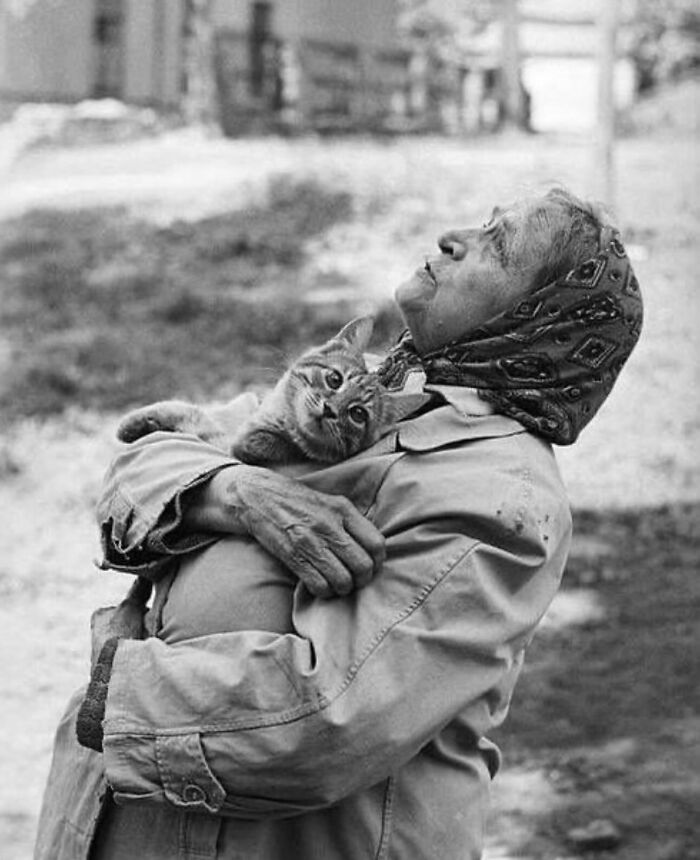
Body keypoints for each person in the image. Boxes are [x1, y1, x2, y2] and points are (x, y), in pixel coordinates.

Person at [35, 186, 643, 860]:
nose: (453, 234)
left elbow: (323, 722)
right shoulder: (379, 388)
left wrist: (113, 687)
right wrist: (234, 492)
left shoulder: (502, 495)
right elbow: (151, 456)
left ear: (536, 322)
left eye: (496, 245)